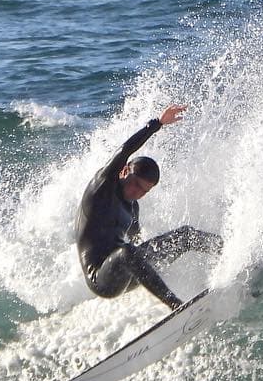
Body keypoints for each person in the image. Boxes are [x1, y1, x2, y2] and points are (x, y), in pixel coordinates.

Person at [75, 103, 223, 311]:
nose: (137, 192)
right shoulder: (103, 186)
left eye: (144, 190)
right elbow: (125, 150)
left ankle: (229, 255)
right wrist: (158, 123)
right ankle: (176, 306)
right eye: (136, 184)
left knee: (185, 236)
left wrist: (152, 257)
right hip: (102, 279)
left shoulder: (132, 208)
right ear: (125, 171)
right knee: (127, 252)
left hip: (128, 270)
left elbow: (137, 243)